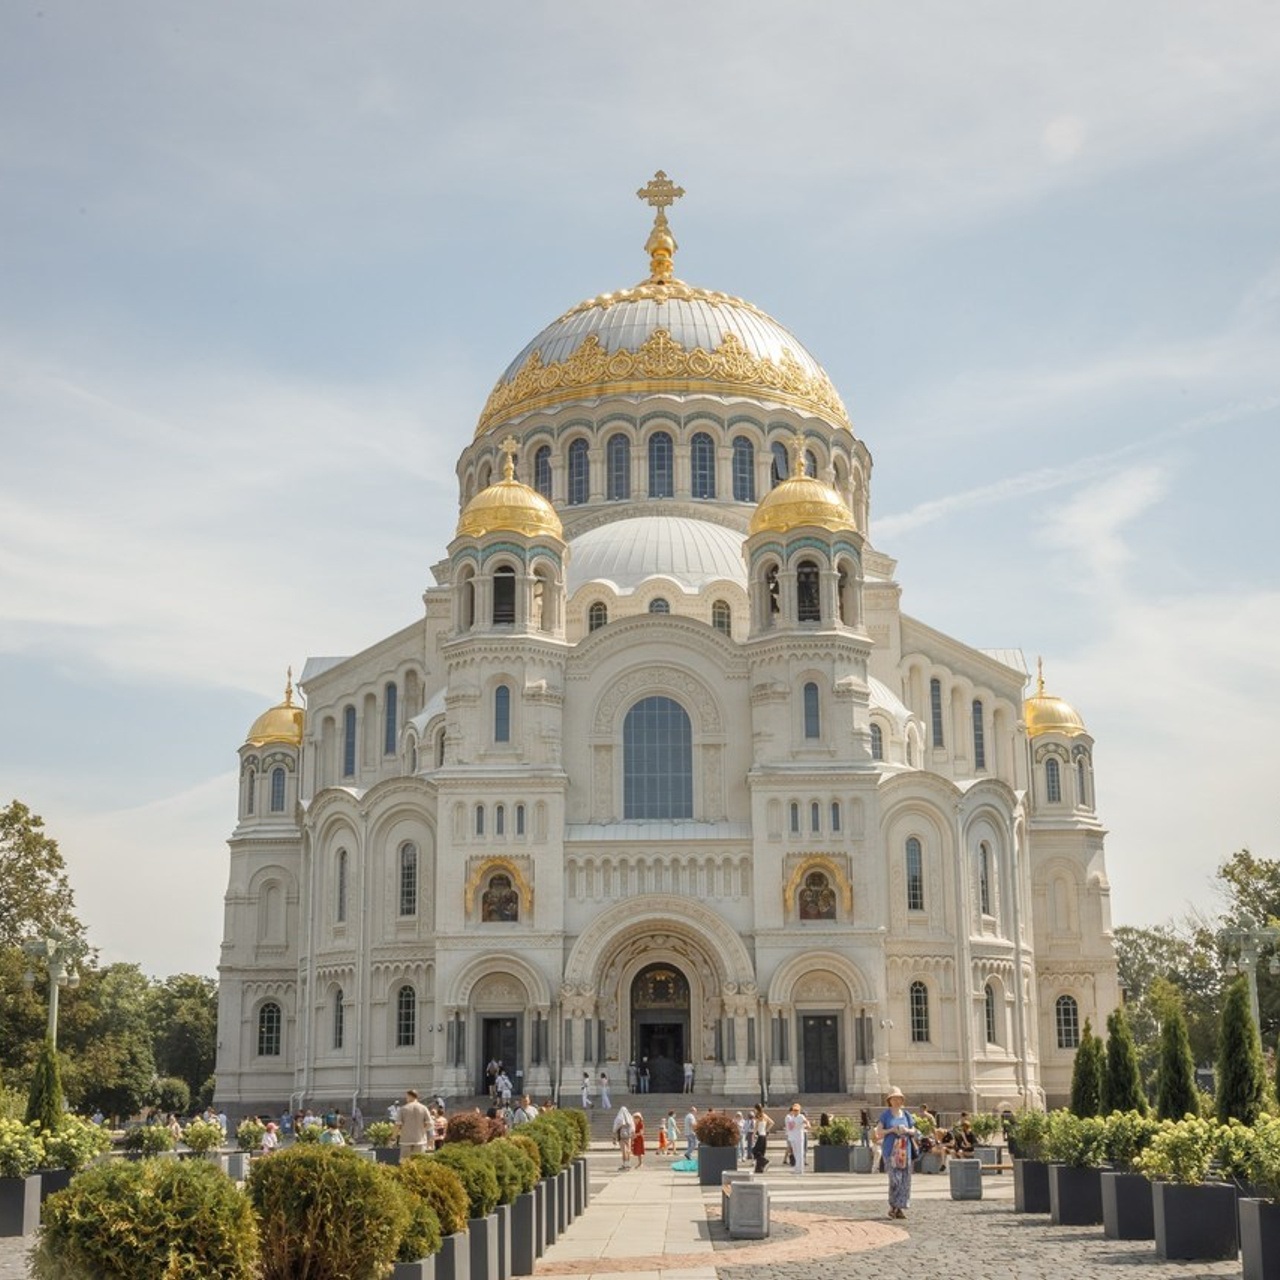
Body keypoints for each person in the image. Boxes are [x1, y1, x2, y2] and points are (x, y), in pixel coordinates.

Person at [875, 1085, 919, 1220]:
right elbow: (878, 1133)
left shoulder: (906, 1114)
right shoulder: (886, 1115)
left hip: (905, 1152)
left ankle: (898, 1208)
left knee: (905, 1180)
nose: (897, 1101)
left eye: (899, 1098)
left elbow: (915, 1131)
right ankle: (893, 1204)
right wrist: (892, 1130)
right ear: (889, 1100)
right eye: (894, 1099)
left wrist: (906, 1130)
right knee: (895, 1180)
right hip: (891, 1151)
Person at [397, 1088, 432, 1158]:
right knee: (419, 1161)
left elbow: (397, 1125)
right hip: (420, 1140)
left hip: (406, 1140)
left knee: (405, 1162)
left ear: (410, 1096)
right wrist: (423, 1130)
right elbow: (429, 1124)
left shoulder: (403, 1109)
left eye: (407, 1096)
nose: (406, 1098)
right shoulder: (424, 1108)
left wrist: (393, 1137)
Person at [784, 1102, 810, 1175]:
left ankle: (800, 1170)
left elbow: (806, 1122)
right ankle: (797, 1168)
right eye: (794, 1110)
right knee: (795, 1153)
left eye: (797, 1110)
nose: (795, 1111)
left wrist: (807, 1125)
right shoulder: (791, 1117)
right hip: (793, 1137)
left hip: (799, 1136)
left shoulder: (801, 1116)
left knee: (800, 1152)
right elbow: (790, 1127)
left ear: (799, 1110)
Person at [612, 1104, 635, 1170]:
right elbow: (633, 1128)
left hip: (621, 1136)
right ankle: (628, 1163)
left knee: (623, 1150)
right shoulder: (629, 1118)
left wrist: (614, 1138)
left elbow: (615, 1127)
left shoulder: (619, 1118)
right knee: (628, 1150)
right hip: (628, 1136)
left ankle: (624, 1164)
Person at [751, 1104, 772, 1173]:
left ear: (756, 1109)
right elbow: (772, 1122)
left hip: (760, 1136)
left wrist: (753, 1135)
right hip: (764, 1136)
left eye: (754, 1109)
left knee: (755, 1151)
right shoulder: (765, 1115)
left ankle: (765, 1161)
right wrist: (767, 1130)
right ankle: (759, 1169)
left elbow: (756, 1127)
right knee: (761, 1152)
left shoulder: (758, 1116)